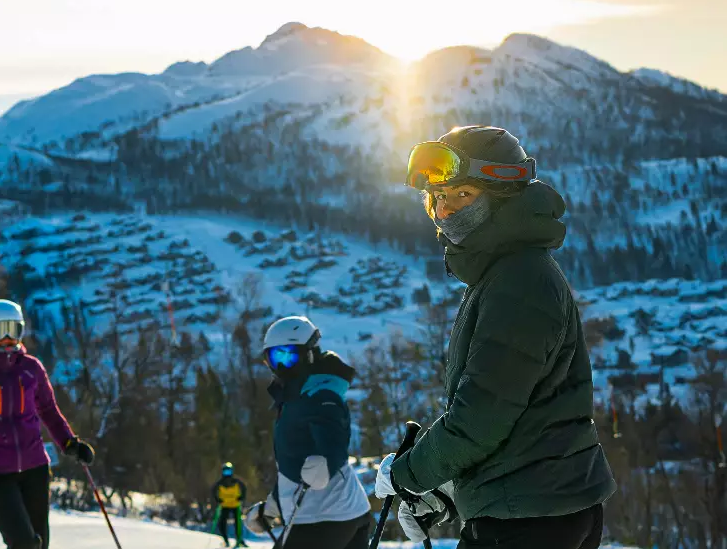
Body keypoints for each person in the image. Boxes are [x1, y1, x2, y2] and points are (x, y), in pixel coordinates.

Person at [374, 126, 617, 549]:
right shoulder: (506, 273)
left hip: (527, 521)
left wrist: (407, 475)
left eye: (462, 194)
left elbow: (481, 419)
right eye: (438, 197)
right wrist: (447, 488)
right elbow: (521, 414)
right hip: (540, 509)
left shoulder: (518, 281)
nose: (445, 210)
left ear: (502, 196)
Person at [0, 299, 96, 549]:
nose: (6, 339)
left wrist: (70, 443)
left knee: (39, 544)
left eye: (12, 331)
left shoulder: (31, 368)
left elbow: (49, 410)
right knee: (24, 544)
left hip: (35, 468)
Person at [243, 316, 371, 549]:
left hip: (325, 515)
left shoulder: (321, 393)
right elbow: (294, 462)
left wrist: (327, 462)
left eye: (289, 356)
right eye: (275, 358)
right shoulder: (295, 396)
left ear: (309, 354)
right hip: (341, 511)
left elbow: (334, 434)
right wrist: (272, 506)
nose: (282, 366)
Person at [211, 462, 248, 547]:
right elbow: (213, 491)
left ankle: (239, 540)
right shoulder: (220, 483)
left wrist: (241, 497)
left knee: (238, 525)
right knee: (222, 524)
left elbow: (244, 488)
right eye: (225, 471)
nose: (227, 474)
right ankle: (226, 540)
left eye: (229, 471)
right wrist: (218, 499)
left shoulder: (236, 481)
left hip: (236, 505)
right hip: (224, 505)